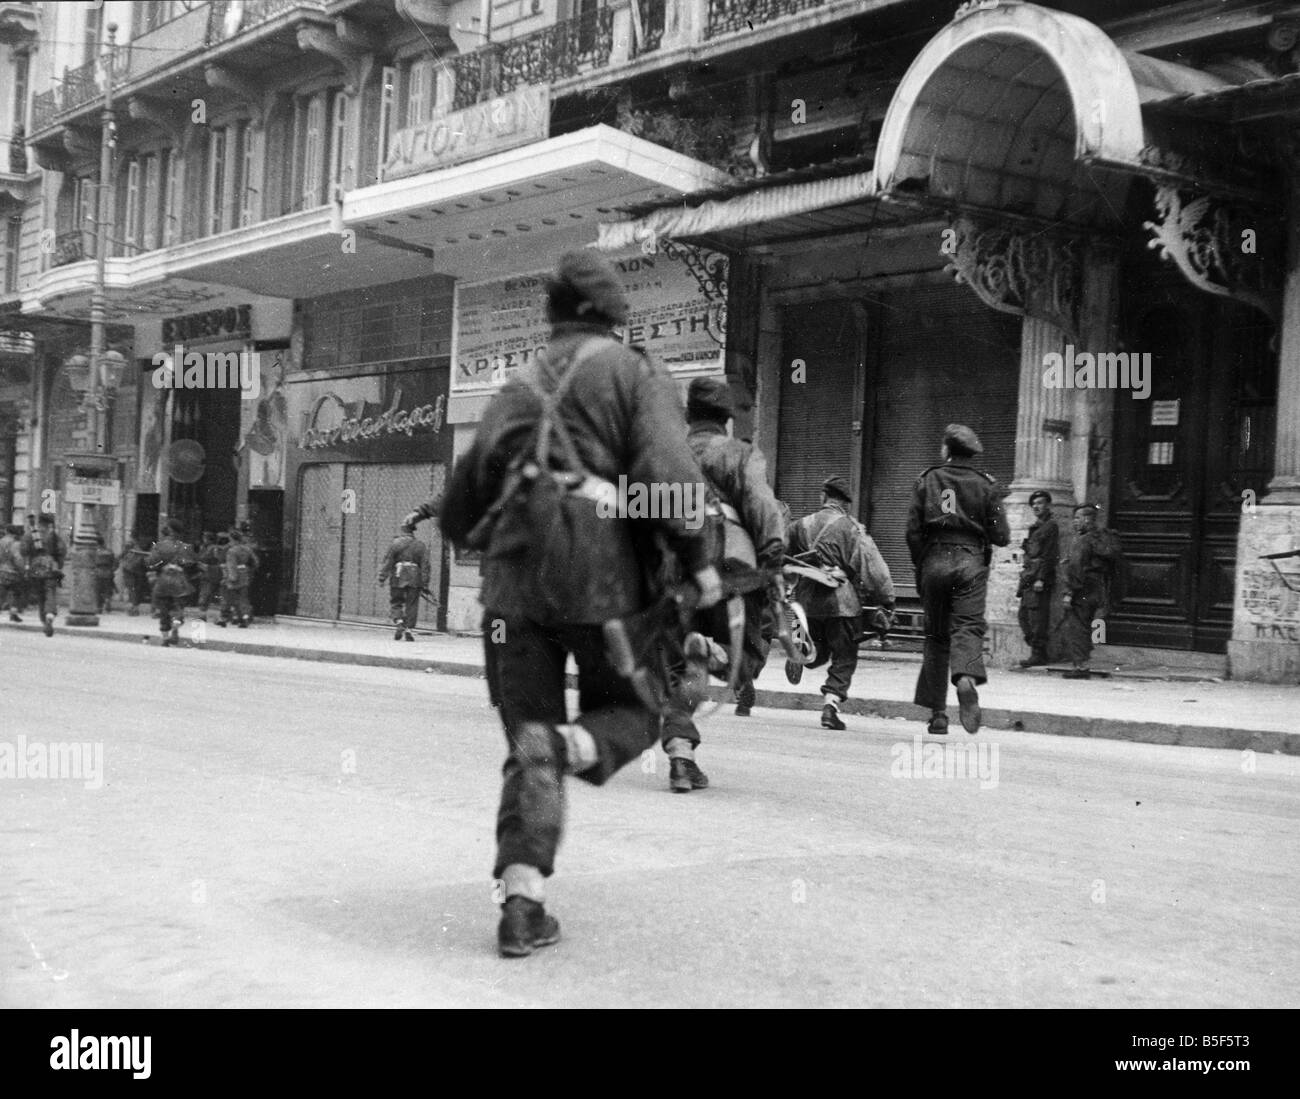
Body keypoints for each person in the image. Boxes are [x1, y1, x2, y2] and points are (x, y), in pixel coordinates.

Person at [440, 249, 719, 958]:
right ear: (616, 315)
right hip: (603, 584)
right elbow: (671, 481)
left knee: (525, 742)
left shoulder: (515, 385)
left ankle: (523, 903)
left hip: (509, 592)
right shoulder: (632, 373)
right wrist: (699, 564)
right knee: (639, 708)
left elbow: (458, 508)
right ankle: (571, 746)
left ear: (553, 313)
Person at [657, 376, 786, 790]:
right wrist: (773, 558)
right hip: (730, 571)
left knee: (680, 668)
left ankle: (680, 755)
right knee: (743, 657)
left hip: (673, 574)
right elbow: (761, 505)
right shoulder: (738, 453)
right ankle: (712, 650)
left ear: (688, 417)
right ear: (726, 420)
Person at [906, 424, 1010, 735]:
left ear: (946, 450)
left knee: (936, 637)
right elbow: (1002, 536)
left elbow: (912, 530)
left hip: (934, 560)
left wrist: (922, 564)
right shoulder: (986, 485)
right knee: (967, 627)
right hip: (970, 563)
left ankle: (938, 714)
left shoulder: (927, 479)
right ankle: (965, 678)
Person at [786, 475, 895, 730]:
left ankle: (802, 653)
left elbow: (781, 559)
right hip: (842, 605)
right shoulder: (852, 528)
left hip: (806, 604)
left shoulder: (799, 526)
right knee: (844, 655)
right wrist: (887, 601)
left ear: (823, 497)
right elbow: (874, 570)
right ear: (846, 504)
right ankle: (831, 705)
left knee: (818, 651)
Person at [1060, 503, 1124, 679]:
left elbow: (1076, 568)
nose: (1074, 522)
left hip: (1082, 588)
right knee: (1089, 624)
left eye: (1077, 518)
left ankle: (1080, 666)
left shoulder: (1082, 541)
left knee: (1076, 626)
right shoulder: (1102, 538)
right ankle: (1085, 660)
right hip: (1099, 587)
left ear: (1088, 519)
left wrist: (1068, 593)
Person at [1017, 490, 1059, 667]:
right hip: (1029, 576)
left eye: (1040, 503)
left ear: (1048, 505)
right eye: (1033, 503)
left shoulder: (1050, 526)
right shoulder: (1036, 527)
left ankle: (1038, 653)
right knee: (1024, 615)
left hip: (1038, 579)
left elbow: (1050, 555)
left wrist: (1041, 578)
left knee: (1037, 618)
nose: (1036, 506)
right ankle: (1036, 649)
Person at [378, 521, 430, 641]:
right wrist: (425, 583)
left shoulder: (395, 544)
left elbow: (388, 561)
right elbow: (426, 565)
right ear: (413, 531)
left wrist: (382, 577)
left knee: (396, 601)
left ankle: (399, 622)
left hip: (398, 575)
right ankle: (409, 630)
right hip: (414, 577)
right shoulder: (420, 545)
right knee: (412, 604)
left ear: (403, 530)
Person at [148, 519, 197, 647]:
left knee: (163, 609)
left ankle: (165, 637)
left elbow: (151, 563)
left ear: (169, 530)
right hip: (180, 580)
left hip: (164, 580)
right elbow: (192, 564)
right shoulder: (186, 547)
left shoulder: (159, 545)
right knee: (179, 608)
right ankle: (176, 626)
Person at [22, 514, 65, 638]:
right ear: (49, 524)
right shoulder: (54, 536)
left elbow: (24, 551)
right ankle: (49, 615)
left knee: (40, 594)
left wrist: (27, 565)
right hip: (51, 567)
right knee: (50, 591)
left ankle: (43, 619)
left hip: (35, 567)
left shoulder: (31, 535)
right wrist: (59, 565)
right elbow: (61, 551)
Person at [219, 528, 259, 628]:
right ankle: (245, 617)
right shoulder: (247, 549)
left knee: (229, 598)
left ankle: (224, 618)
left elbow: (231, 565)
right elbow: (255, 562)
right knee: (243, 599)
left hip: (234, 577)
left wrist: (231, 578)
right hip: (244, 576)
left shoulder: (232, 551)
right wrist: (248, 571)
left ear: (232, 539)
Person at [120, 534, 153, 616]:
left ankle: (134, 607)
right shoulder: (139, 549)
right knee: (136, 589)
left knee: (132, 588)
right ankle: (135, 607)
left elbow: (121, 555)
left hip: (130, 569)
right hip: (137, 570)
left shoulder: (131, 546)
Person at [196, 531, 224, 619]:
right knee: (205, 594)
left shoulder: (214, 549)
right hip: (206, 574)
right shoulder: (204, 548)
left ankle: (203, 615)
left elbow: (218, 561)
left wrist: (207, 566)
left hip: (210, 573)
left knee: (206, 595)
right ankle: (203, 614)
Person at [0, 524, 25, 622]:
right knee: (16, 593)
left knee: (1, 594)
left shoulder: (0, 542)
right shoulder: (15, 544)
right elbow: (17, 558)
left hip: (1, 571)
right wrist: (22, 570)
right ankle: (13, 614)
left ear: (6, 531)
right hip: (13, 573)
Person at [93, 534, 117, 614]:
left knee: (98, 590)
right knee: (108, 589)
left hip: (98, 572)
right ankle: (107, 600)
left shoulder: (95, 552)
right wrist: (112, 570)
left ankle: (99, 607)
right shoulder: (109, 551)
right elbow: (115, 563)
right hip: (108, 572)